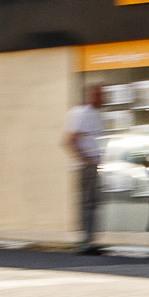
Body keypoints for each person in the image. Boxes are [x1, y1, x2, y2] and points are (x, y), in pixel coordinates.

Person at [63, 83, 105, 253]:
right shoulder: (80, 113)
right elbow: (68, 140)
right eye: (100, 94)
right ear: (92, 95)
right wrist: (85, 159)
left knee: (93, 203)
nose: (103, 98)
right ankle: (86, 241)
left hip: (92, 165)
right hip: (85, 166)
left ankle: (90, 239)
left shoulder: (94, 114)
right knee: (87, 203)